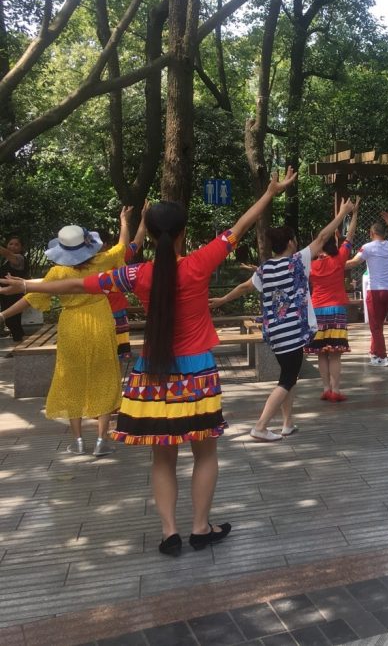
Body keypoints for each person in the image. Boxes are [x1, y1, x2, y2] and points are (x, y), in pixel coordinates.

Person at [1, 168, 299, 555]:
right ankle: (200, 528)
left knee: (163, 457)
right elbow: (240, 226)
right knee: (205, 453)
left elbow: (77, 284)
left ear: (152, 231)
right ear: (181, 234)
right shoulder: (199, 263)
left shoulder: (133, 274)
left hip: (152, 376)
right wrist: (271, 192)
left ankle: (169, 532)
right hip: (198, 374)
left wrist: (26, 284)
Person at [212, 199, 358, 441]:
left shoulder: (265, 268)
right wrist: (342, 212)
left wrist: (221, 300)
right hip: (292, 333)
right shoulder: (297, 261)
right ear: (291, 243)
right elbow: (322, 237)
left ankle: (288, 423)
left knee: (288, 377)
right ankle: (260, 426)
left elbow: (244, 287)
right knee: (287, 379)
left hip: (276, 334)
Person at [0, 210, 133, 456]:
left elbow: (30, 298)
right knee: (104, 376)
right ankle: (102, 441)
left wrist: (3, 315)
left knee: (70, 379)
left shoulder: (58, 273)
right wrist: (124, 222)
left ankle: (80, 442)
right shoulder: (103, 261)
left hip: (71, 325)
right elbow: (123, 246)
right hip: (101, 322)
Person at [306, 198, 361, 402]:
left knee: (322, 353)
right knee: (335, 354)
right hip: (336, 309)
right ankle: (336, 390)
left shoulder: (311, 266)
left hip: (317, 310)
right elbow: (351, 235)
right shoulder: (339, 259)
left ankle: (326, 388)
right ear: (333, 245)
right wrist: (353, 214)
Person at [347, 211, 388, 366]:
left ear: (371, 233)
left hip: (375, 290)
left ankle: (382, 357)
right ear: (383, 233)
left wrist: (335, 265)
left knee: (375, 325)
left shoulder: (367, 247)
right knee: (378, 324)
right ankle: (374, 352)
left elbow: (354, 262)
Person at [100, 209, 150, 362]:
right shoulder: (114, 257)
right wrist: (143, 218)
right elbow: (137, 242)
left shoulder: (83, 264)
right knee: (119, 356)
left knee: (107, 356)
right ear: (107, 244)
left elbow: (136, 243)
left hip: (101, 313)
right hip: (112, 312)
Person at [0, 236, 28, 343]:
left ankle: (20, 345)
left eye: (17, 244)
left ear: (21, 248)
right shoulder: (5, 260)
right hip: (6, 294)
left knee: (13, 320)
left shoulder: (19, 258)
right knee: (10, 321)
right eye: (11, 244)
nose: (13, 246)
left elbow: (8, 254)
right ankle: (20, 343)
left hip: (15, 294)